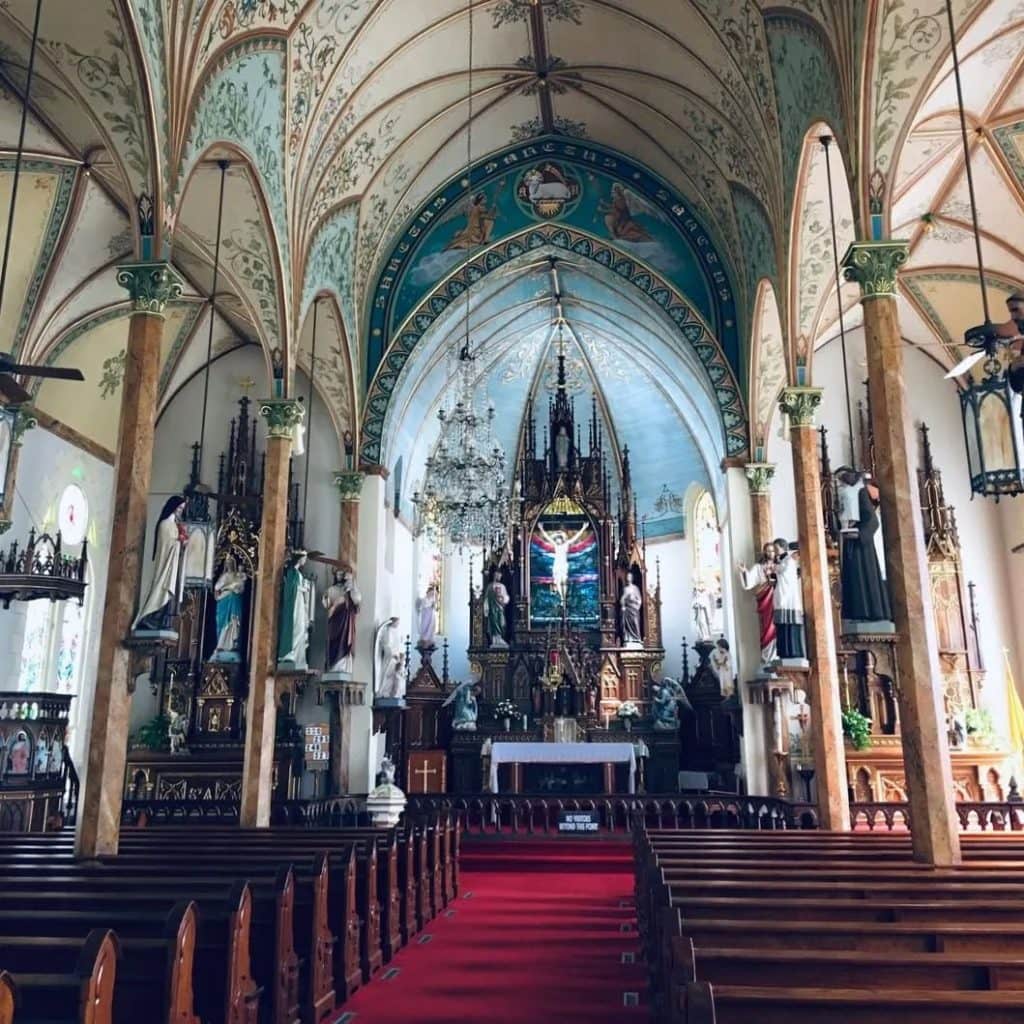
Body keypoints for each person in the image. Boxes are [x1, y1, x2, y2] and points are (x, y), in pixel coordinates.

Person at [835, 467, 892, 624]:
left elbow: (872, 521)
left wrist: (860, 534)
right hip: (849, 540)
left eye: (841, 479)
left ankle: (869, 613)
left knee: (865, 577)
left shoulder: (859, 492)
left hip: (861, 543)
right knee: (852, 578)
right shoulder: (843, 493)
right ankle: (856, 613)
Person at [133, 495, 187, 631]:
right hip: (165, 565)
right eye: (179, 508)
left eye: (182, 508)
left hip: (172, 565)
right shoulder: (164, 525)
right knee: (160, 589)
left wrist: (182, 542)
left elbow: (176, 543)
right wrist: (178, 542)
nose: (180, 511)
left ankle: (162, 620)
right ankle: (149, 617)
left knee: (169, 593)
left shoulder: (175, 525)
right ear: (173, 507)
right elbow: (165, 545)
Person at [737, 542, 778, 674]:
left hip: (778, 600)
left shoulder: (779, 566)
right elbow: (748, 583)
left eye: (772, 551)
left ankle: (776, 656)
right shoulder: (759, 567)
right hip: (765, 600)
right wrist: (744, 571)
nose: (770, 553)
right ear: (764, 552)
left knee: (778, 628)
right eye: (768, 551)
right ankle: (767, 658)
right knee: (767, 628)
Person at [278, 550, 315, 668]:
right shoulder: (292, 572)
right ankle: (290, 653)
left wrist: (306, 586)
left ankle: (299, 657)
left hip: (300, 604)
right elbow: (291, 587)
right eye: (304, 558)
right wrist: (303, 588)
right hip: (294, 604)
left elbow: (298, 586)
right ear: (299, 559)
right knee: (296, 628)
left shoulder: (297, 573)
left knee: (301, 628)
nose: (305, 561)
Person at [536, 522, 588, 605]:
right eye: (556, 539)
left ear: (562, 539)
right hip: (557, 565)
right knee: (558, 581)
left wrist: (583, 528)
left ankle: (564, 598)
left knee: (564, 581)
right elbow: (548, 538)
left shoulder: (566, 544)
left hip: (563, 565)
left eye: (559, 538)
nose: (557, 540)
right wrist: (541, 529)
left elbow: (575, 538)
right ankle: (562, 599)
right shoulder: (556, 545)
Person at [772, 538, 806, 660]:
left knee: (790, 625)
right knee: (782, 626)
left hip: (788, 596)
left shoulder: (789, 561)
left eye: (777, 548)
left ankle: (794, 652)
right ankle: (783, 652)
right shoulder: (783, 560)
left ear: (783, 547)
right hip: (781, 594)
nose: (775, 551)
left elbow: (783, 570)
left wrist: (774, 566)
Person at [323, 568, 361, 673]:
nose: (340, 577)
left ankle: (343, 668)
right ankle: (333, 668)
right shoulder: (331, 589)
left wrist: (351, 588)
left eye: (342, 574)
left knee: (344, 642)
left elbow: (357, 601)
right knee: (333, 643)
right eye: (338, 574)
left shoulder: (350, 590)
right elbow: (326, 604)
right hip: (334, 621)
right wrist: (327, 599)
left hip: (346, 622)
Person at [212, 554, 247, 662]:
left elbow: (241, 588)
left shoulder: (237, 576)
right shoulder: (224, 576)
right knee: (222, 624)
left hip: (234, 602)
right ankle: (221, 645)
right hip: (224, 601)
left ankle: (232, 644)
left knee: (233, 623)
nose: (229, 565)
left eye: (231, 563)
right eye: (228, 564)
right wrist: (229, 587)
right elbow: (217, 587)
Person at [375, 616, 404, 700]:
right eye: (397, 622)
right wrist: (392, 654)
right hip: (390, 659)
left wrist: (400, 656)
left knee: (396, 676)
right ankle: (384, 692)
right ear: (393, 622)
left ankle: (393, 693)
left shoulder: (397, 632)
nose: (398, 624)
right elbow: (386, 645)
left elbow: (398, 645)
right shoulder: (388, 631)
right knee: (388, 675)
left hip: (396, 659)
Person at [484, 566, 510, 647]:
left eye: (500, 575)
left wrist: (504, 600)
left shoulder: (502, 586)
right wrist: (486, 609)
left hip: (500, 609)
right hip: (493, 610)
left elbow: (506, 597)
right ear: (494, 575)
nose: (499, 576)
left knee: (502, 623)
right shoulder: (490, 586)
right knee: (494, 624)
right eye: (497, 575)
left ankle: (501, 638)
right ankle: (495, 640)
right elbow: (486, 599)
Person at [620, 573, 643, 646]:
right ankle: (628, 638)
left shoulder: (635, 588)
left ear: (632, 578)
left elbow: (639, 599)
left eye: (629, 576)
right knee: (627, 624)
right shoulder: (625, 589)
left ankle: (637, 638)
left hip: (634, 609)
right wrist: (623, 605)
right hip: (628, 609)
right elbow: (622, 599)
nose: (628, 578)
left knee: (635, 623)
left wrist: (637, 606)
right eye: (627, 576)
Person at [416, 583, 439, 650]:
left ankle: (430, 638)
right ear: (428, 592)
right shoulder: (424, 599)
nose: (431, 594)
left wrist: (434, 604)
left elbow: (435, 605)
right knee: (425, 626)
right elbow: (424, 606)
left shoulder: (432, 599)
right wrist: (431, 606)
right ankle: (424, 638)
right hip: (426, 615)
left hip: (431, 615)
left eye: (432, 593)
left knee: (431, 627)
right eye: (431, 593)